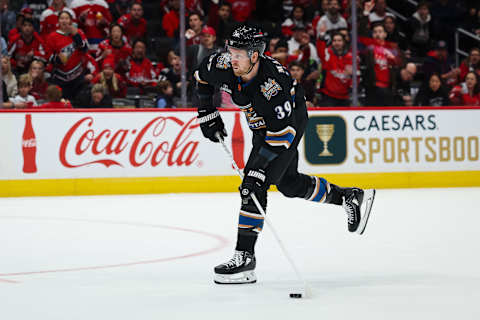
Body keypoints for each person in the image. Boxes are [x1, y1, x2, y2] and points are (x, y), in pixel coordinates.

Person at [193, 25, 375, 284]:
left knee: (253, 185)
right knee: (288, 184)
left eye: (239, 53)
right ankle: (348, 196)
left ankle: (245, 258)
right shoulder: (223, 64)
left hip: (288, 123)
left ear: (255, 56)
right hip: (261, 123)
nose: (232, 58)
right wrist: (206, 112)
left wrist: (258, 168)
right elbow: (200, 76)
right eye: (230, 51)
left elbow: (283, 136)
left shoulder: (273, 86)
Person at [45, 10, 90, 99]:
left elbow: (85, 49)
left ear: (70, 21)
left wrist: (76, 35)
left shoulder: (78, 32)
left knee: (80, 102)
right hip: (61, 77)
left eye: (66, 18)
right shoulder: (52, 36)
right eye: (62, 18)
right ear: (58, 21)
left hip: (78, 76)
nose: (64, 21)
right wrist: (58, 59)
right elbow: (49, 57)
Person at [317, 31, 353, 106]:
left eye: (339, 40)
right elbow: (320, 52)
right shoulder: (328, 54)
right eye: (334, 40)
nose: (337, 43)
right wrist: (321, 37)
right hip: (329, 96)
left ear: (344, 42)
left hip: (345, 96)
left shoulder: (351, 57)